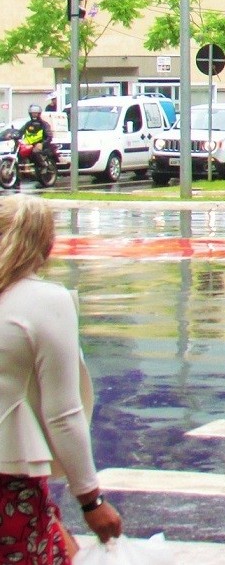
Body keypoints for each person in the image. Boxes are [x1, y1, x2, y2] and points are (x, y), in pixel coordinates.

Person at [0, 194, 123, 561]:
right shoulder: (45, 302)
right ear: (46, 245)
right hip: (10, 485)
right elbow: (63, 413)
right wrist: (91, 500)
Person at [17, 105, 55, 181]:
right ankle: (17, 179)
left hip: (41, 145)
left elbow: (49, 136)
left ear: (39, 114)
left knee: (35, 151)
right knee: (19, 153)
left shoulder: (44, 124)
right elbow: (20, 132)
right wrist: (12, 135)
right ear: (30, 114)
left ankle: (44, 165)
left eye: (36, 113)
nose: (34, 115)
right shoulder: (28, 124)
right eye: (32, 113)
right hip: (29, 145)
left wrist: (42, 144)